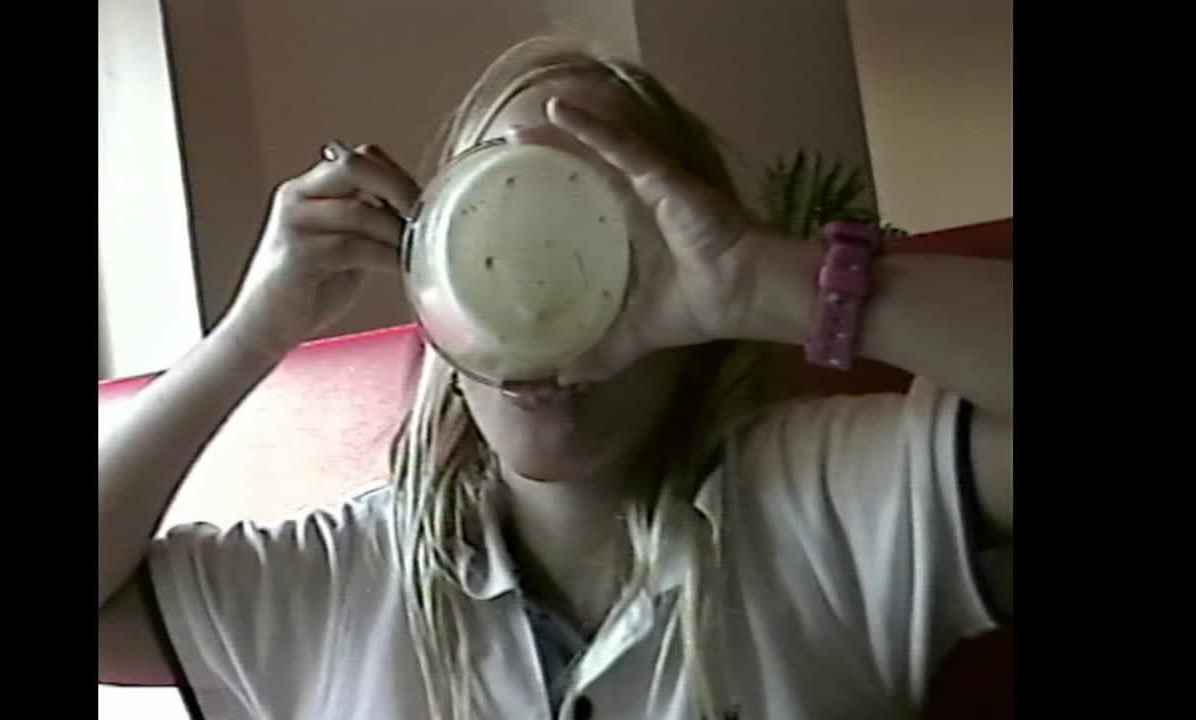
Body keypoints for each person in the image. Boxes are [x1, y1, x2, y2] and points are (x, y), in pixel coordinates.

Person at [98, 35, 1012, 720]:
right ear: (433, 274)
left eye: (603, 242)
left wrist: (762, 280)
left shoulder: (832, 505)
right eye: (496, 237)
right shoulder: (337, 582)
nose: (542, 308)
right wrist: (256, 329)